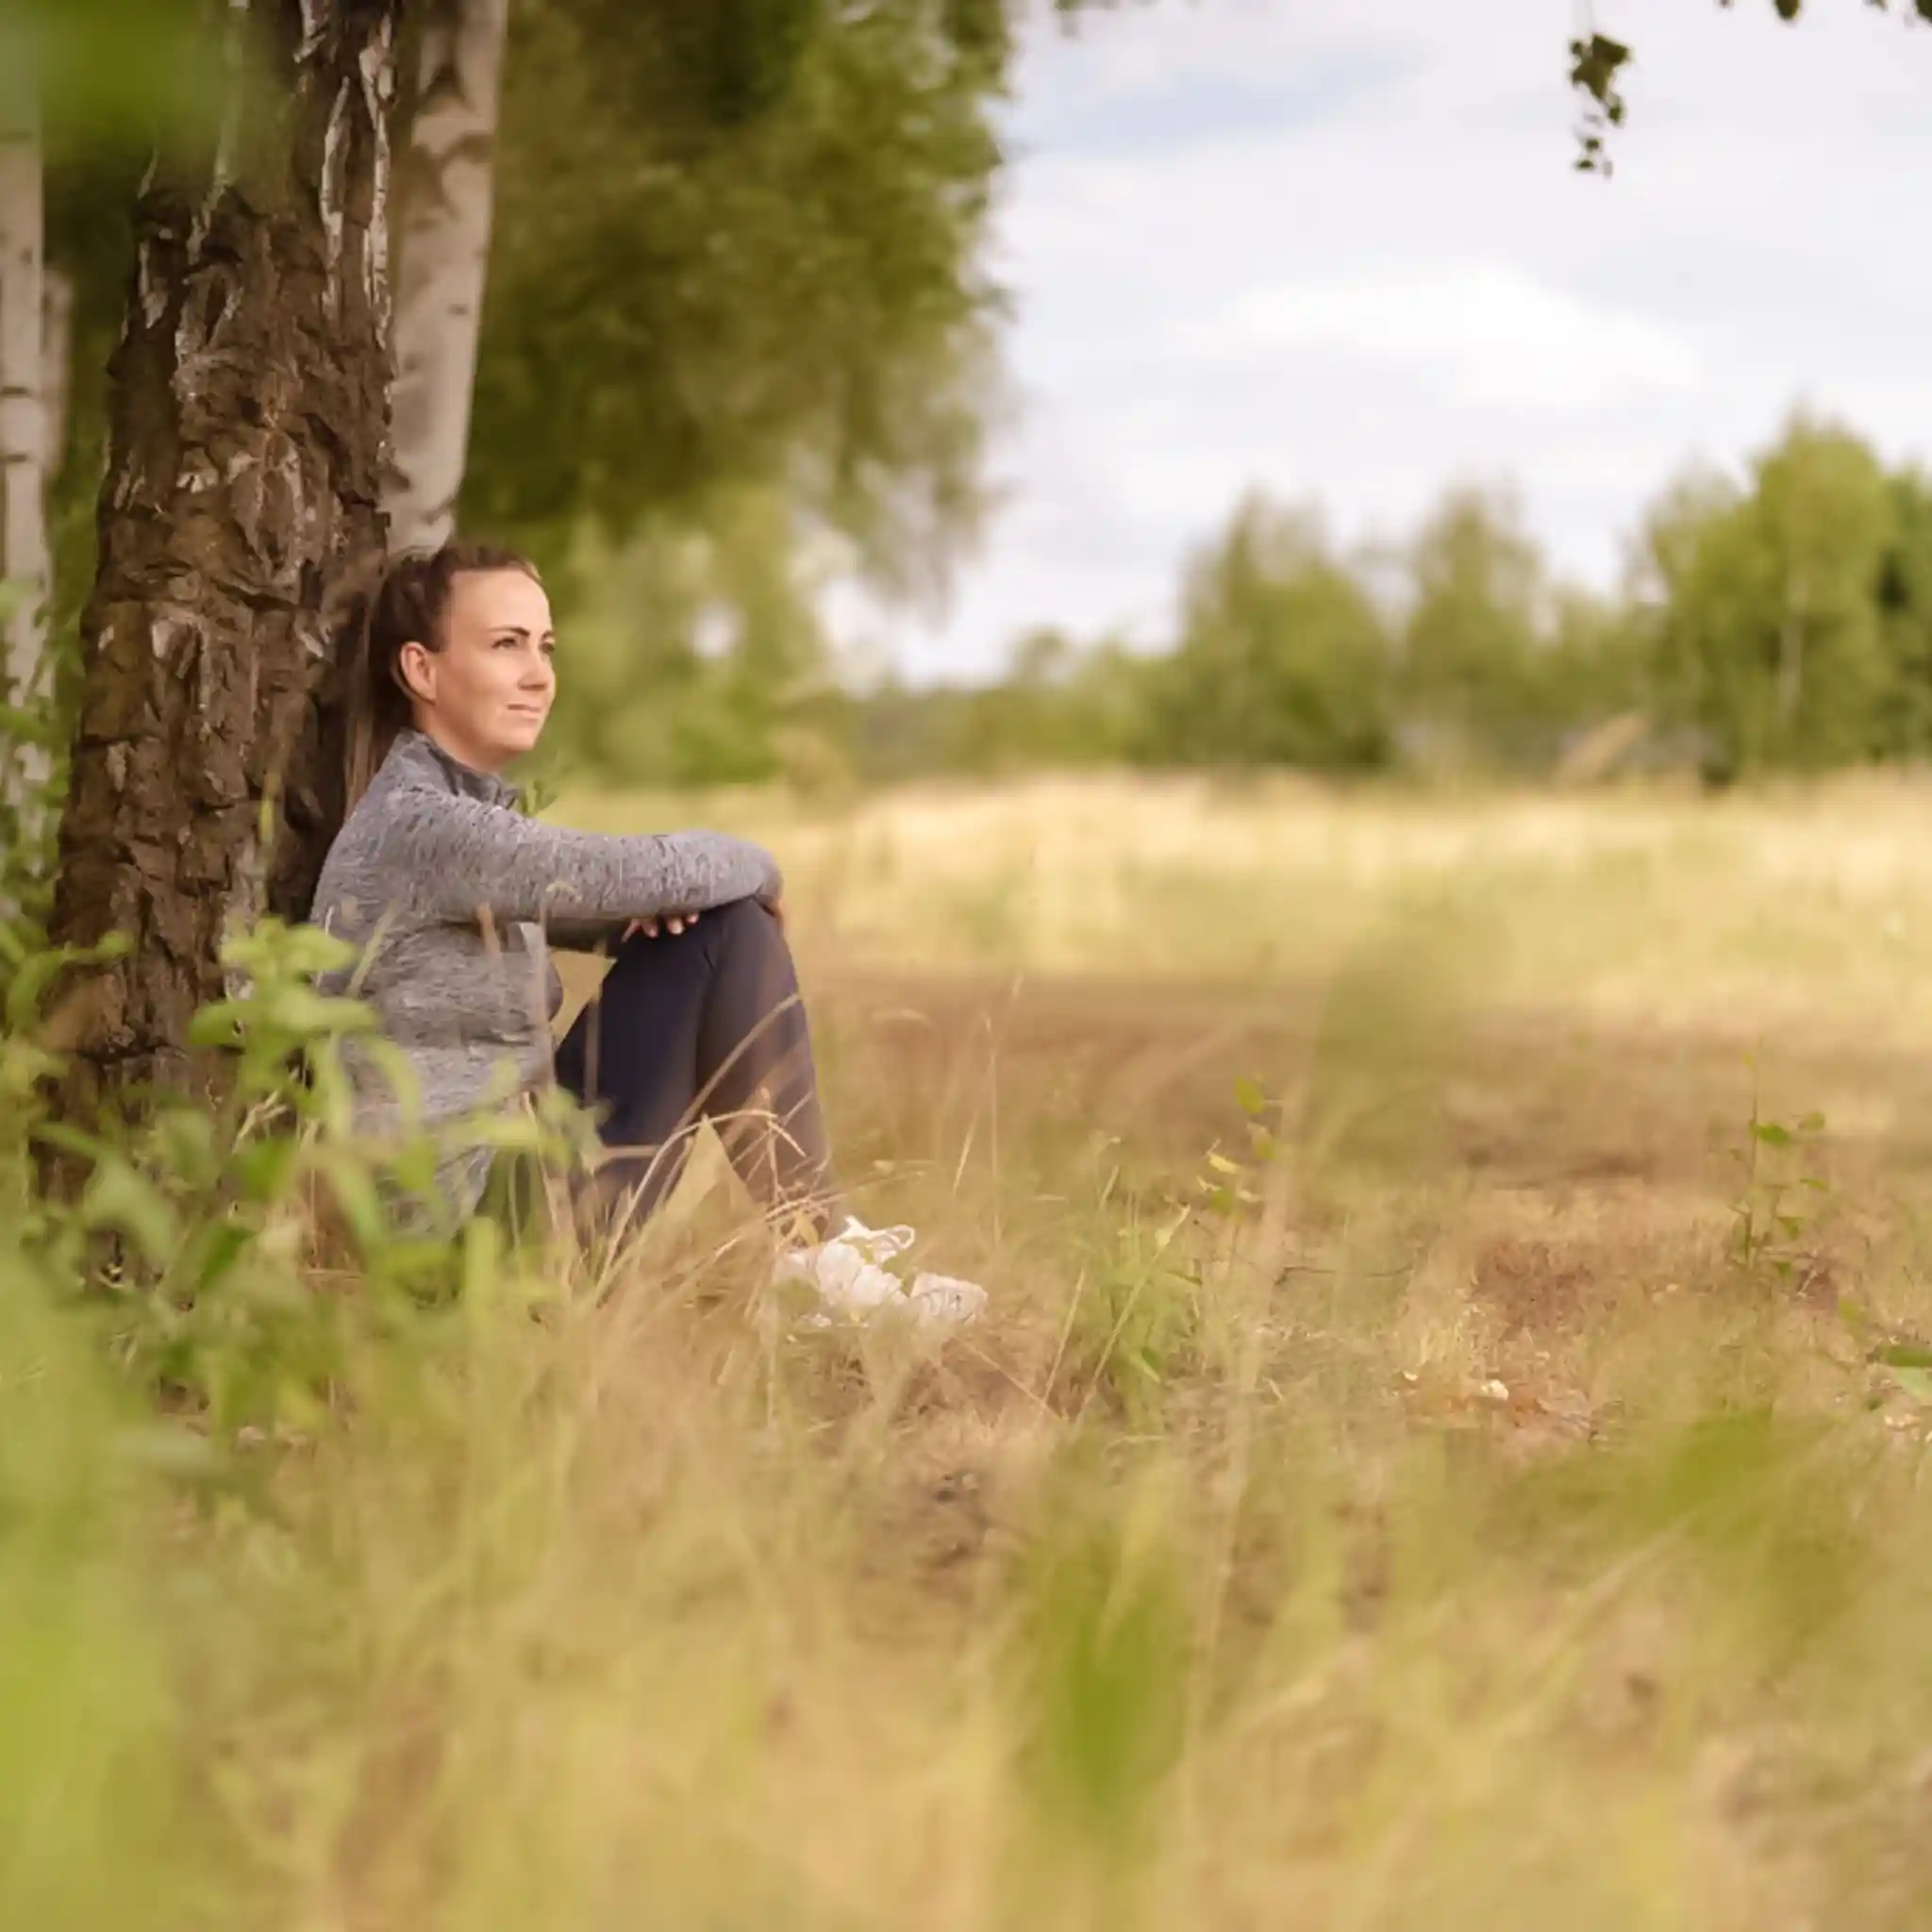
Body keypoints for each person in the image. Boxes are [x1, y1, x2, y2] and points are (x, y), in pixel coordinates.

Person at [308, 541, 985, 1331]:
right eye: (506, 645)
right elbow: (640, 870)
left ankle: (820, 1255)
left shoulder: (443, 820)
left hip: (499, 1211)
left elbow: (610, 897)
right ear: (421, 671)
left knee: (711, 927)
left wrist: (664, 910)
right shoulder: (427, 827)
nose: (538, 674)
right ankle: (819, 1253)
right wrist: (754, 869)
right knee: (728, 927)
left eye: (545, 646)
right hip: (471, 1254)